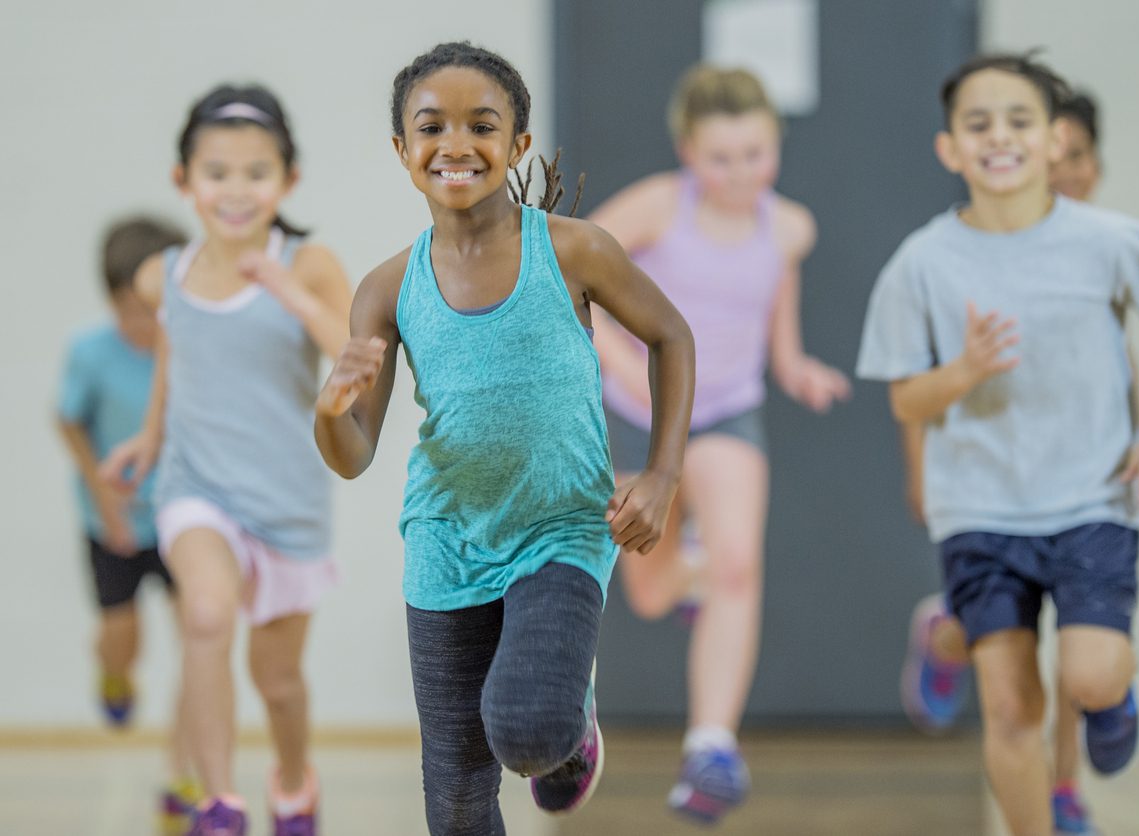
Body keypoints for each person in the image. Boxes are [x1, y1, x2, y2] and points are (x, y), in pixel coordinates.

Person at [312, 42, 695, 836]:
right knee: (455, 802)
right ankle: (551, 726)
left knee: (526, 728)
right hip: (447, 539)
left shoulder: (572, 249)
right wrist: (329, 412)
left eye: (482, 125)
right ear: (402, 151)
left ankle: (570, 729)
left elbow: (671, 337)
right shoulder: (386, 290)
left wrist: (661, 475)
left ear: (518, 145)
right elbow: (354, 454)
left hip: (560, 528)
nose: (456, 144)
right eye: (432, 127)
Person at [857, 53, 1139, 836]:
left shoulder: (1113, 241)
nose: (998, 138)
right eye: (979, 124)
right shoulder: (922, 262)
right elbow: (906, 395)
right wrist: (965, 369)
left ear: (1054, 142)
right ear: (950, 148)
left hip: (1092, 498)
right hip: (980, 507)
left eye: (1020, 121)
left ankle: (1113, 695)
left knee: (1090, 674)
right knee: (1010, 705)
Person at [587, 64, 851, 825]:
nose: (741, 173)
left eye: (756, 154)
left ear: (776, 145)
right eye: (722, 157)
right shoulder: (659, 206)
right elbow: (569, 273)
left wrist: (795, 365)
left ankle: (711, 746)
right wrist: (621, 362)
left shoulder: (789, 226)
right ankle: (686, 569)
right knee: (647, 587)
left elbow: (772, 300)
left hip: (727, 410)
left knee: (741, 563)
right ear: (688, 152)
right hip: (638, 410)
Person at [102, 84, 352, 836]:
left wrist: (289, 295)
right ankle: (218, 799)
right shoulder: (162, 275)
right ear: (184, 182)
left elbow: (354, 358)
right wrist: (151, 437)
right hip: (196, 486)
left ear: (288, 181)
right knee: (205, 613)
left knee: (276, 682)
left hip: (287, 501)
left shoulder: (309, 264)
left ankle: (293, 779)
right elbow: (175, 352)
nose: (236, 191)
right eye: (217, 173)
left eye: (256, 172)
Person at [895, 89, 1113, 834]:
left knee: (1082, 634)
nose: (1063, 169)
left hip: (1082, 485)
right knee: (1013, 647)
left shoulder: (1103, 252)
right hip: (989, 489)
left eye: (1075, 155)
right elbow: (916, 379)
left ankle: (1061, 784)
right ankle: (946, 632)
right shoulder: (964, 257)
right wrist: (919, 466)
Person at [56, 216, 202, 833]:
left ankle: (182, 776)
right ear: (113, 299)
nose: (147, 322)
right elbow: (70, 422)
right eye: (133, 308)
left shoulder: (190, 348)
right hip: (110, 523)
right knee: (124, 639)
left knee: (200, 644)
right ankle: (113, 671)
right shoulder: (89, 353)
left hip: (178, 519)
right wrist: (104, 500)